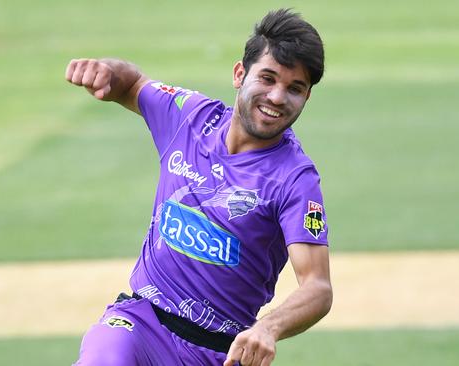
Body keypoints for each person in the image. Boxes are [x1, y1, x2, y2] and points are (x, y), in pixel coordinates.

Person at [65, 8, 332, 366]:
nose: (277, 97)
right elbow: (132, 83)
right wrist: (107, 72)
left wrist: (268, 328)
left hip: (217, 352)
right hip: (139, 322)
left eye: (294, 88)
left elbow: (317, 287)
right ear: (240, 74)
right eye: (267, 78)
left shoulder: (295, 179)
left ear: (307, 97)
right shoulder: (189, 116)